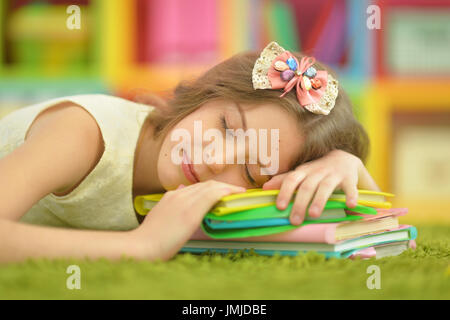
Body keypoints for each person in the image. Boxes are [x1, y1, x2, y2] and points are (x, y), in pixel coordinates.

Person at [0, 42, 380, 263]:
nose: (216, 159)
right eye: (227, 127)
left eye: (250, 172)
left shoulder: (209, 207)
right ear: (206, 94)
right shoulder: (83, 133)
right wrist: (141, 246)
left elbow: (377, 239)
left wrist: (348, 166)